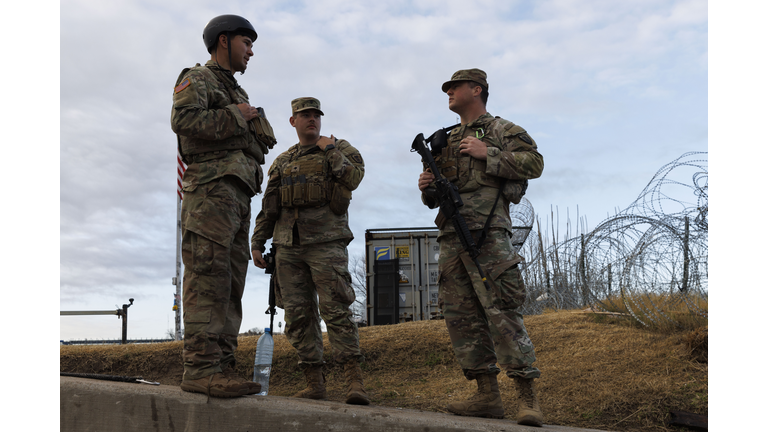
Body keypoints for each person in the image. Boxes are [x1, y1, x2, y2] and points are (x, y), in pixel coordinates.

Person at [417, 69, 545, 426]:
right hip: (452, 237)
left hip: (488, 234)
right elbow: (434, 196)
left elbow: (534, 163)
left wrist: (487, 152)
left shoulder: (502, 130)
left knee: (502, 309)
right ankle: (487, 395)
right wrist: (426, 185)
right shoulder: (443, 139)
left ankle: (526, 397)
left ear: (477, 90)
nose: (448, 93)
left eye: (454, 87)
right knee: (461, 317)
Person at [171, 14, 277, 398]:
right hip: (211, 194)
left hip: (237, 196)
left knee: (231, 283)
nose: (250, 52)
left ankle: (222, 366)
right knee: (208, 278)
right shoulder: (198, 78)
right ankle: (200, 368)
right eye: (246, 43)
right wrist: (238, 116)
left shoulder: (237, 92)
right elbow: (183, 119)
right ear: (223, 41)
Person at [251, 97, 369, 405]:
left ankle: (354, 382)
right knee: (298, 316)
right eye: (304, 115)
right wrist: (257, 241)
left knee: (337, 312)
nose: (311, 119)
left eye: (316, 114)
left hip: (326, 244)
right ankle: (314, 382)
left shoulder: (340, 149)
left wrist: (330, 150)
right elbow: (270, 206)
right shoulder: (282, 161)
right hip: (288, 247)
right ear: (293, 121)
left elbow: (354, 177)